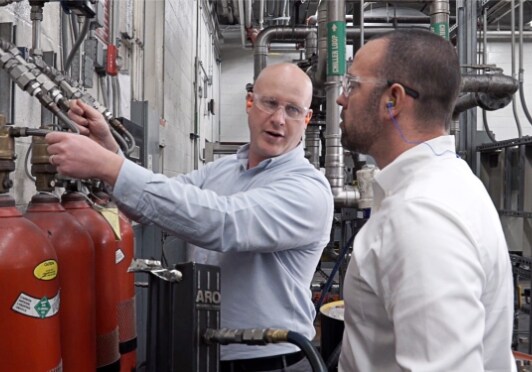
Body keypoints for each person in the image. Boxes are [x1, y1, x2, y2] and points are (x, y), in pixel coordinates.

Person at [46, 62, 334, 371]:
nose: (278, 119)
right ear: (250, 103)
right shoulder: (223, 170)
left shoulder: (308, 190)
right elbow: (153, 209)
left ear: (306, 119)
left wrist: (109, 167)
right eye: (270, 103)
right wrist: (111, 153)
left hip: (269, 362)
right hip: (205, 353)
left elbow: (223, 224)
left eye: (292, 110)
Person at [336, 29, 516, 371]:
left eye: (353, 85)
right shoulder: (449, 184)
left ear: (394, 100)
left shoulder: (421, 214)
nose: (341, 99)